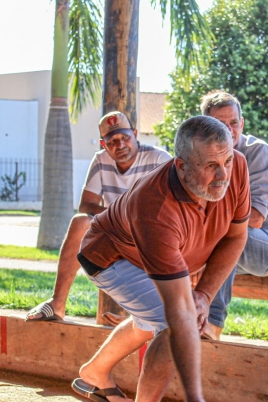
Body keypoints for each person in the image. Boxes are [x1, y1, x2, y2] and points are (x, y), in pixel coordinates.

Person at [73, 116, 250, 402]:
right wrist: (194, 399)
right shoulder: (155, 209)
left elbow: (236, 236)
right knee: (171, 324)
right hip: (112, 257)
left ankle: (94, 373)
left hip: (149, 257)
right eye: (211, 165)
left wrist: (205, 294)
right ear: (181, 166)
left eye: (227, 160)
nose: (224, 174)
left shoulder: (236, 167)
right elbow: (179, 313)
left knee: (156, 318)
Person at [26, 111, 171, 321]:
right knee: (80, 222)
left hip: (151, 236)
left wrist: (134, 221)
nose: (120, 145)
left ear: (135, 134)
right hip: (118, 233)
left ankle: (141, 319)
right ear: (104, 144)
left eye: (125, 138)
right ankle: (57, 303)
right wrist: (122, 218)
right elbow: (86, 205)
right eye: (112, 141)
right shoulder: (101, 160)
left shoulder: (159, 159)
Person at [200, 91, 268, 340]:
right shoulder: (200, 156)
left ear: (241, 124)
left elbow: (255, 219)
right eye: (221, 124)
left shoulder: (257, 153)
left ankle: (212, 323)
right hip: (233, 250)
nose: (229, 130)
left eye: (234, 123)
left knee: (226, 232)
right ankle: (154, 316)